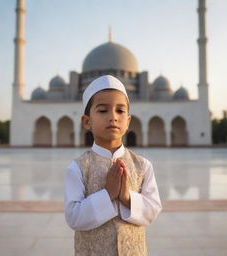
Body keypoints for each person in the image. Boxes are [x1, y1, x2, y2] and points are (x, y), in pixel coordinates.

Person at [64, 75, 162, 256]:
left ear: (128, 121)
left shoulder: (143, 165)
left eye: (120, 111)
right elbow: (73, 217)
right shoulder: (77, 167)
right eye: (102, 111)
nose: (113, 117)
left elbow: (152, 210)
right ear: (87, 121)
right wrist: (107, 194)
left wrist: (127, 198)